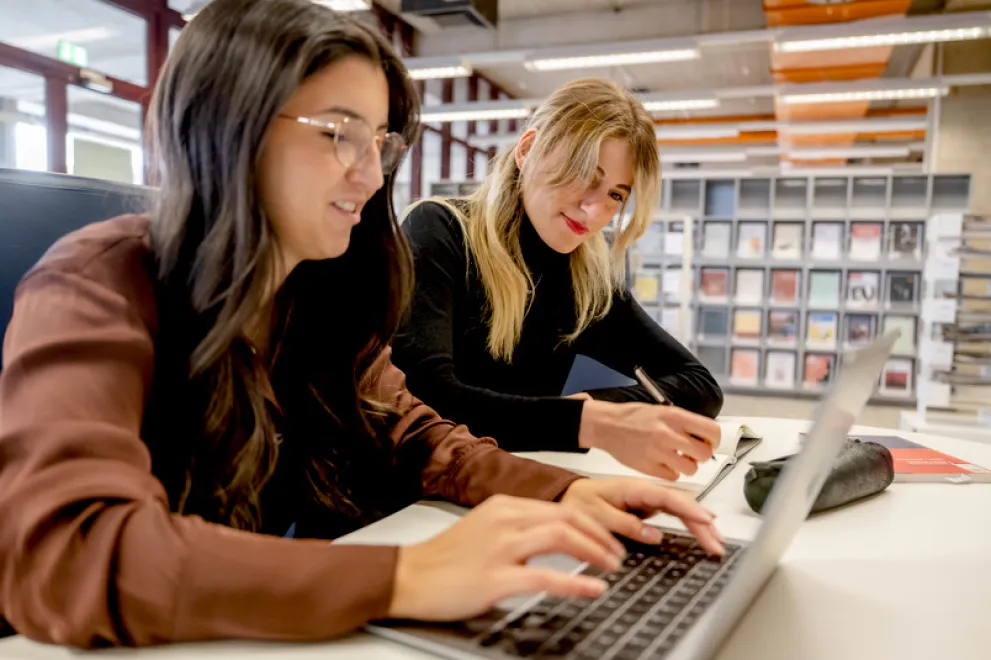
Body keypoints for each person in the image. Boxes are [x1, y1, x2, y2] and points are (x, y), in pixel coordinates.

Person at [0, 0, 724, 649]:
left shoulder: (315, 295)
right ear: (230, 124)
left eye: (378, 143)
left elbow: (420, 437)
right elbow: (69, 552)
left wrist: (567, 493)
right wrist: (402, 576)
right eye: (337, 134)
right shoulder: (97, 279)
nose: (372, 176)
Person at [393, 78, 724, 482]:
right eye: (585, 172)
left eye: (617, 195)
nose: (595, 208)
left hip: (514, 488)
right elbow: (429, 399)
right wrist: (590, 421)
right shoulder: (440, 229)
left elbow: (700, 385)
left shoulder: (586, 281)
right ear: (527, 149)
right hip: (413, 495)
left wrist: (602, 407)